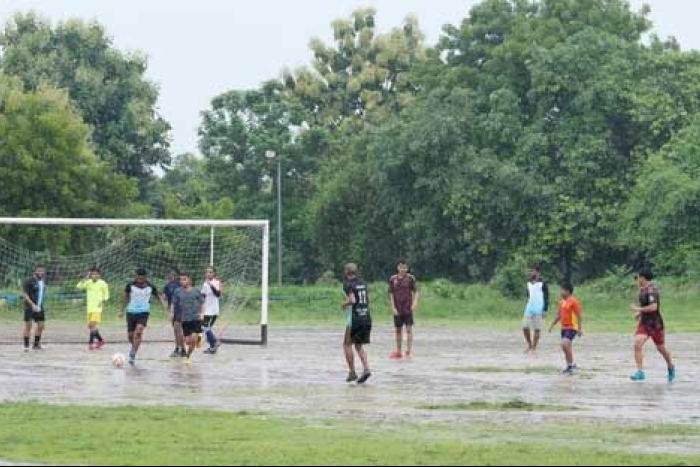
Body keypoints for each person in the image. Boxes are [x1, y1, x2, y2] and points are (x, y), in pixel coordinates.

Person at [629, 267, 676, 382]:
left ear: (643, 277)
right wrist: (639, 314)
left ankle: (670, 366)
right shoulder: (642, 290)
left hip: (656, 324)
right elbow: (647, 307)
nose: (637, 279)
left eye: (638, 277)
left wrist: (638, 308)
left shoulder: (651, 291)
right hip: (644, 323)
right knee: (637, 343)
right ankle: (640, 372)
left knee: (661, 348)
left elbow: (654, 307)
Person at [119, 268, 167, 365]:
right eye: (138, 277)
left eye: (141, 278)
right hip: (131, 312)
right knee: (130, 336)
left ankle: (132, 354)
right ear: (135, 276)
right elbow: (125, 297)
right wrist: (121, 310)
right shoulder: (130, 285)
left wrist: (164, 307)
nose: (139, 280)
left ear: (145, 277)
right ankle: (135, 346)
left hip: (144, 312)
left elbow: (158, 296)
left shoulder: (150, 286)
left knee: (139, 330)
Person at [341, 263, 372, 384]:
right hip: (366, 317)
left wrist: (343, 304)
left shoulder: (347, 284)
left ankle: (352, 372)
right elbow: (368, 300)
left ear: (346, 272)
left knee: (346, 344)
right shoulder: (363, 283)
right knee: (359, 345)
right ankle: (366, 369)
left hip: (355, 319)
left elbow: (352, 300)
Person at [548, 282, 582, 375]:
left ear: (567, 291)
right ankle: (570, 365)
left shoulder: (574, 301)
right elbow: (558, 315)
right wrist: (552, 325)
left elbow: (579, 315)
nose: (561, 292)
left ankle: (570, 366)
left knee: (564, 344)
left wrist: (579, 328)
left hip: (572, 327)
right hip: (563, 328)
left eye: (562, 290)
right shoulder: (561, 302)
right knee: (567, 347)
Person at [172, 271, 204, 364]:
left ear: (189, 280)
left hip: (195, 319)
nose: (182, 281)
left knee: (193, 339)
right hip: (185, 320)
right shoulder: (177, 291)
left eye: (184, 279)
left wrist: (202, 313)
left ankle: (187, 356)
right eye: (180, 279)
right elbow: (173, 303)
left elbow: (202, 303)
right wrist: (172, 313)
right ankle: (199, 337)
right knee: (188, 342)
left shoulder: (196, 291)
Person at [388, 260, 418, 359]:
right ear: (398, 267)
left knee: (409, 329)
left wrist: (414, 303)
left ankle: (408, 352)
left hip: (407, 308)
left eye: (405, 268)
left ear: (407, 268)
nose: (403, 270)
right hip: (397, 308)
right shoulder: (393, 279)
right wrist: (393, 307)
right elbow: (391, 293)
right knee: (398, 330)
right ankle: (398, 351)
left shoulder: (411, 278)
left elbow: (416, 291)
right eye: (401, 267)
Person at [76, 267, 110, 350]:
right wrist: (85, 278)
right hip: (89, 308)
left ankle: (91, 343)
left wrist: (102, 300)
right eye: (93, 274)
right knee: (91, 326)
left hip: (97, 308)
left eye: (96, 274)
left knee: (92, 325)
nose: (94, 275)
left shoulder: (103, 283)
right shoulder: (88, 282)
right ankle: (100, 340)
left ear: (99, 275)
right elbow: (79, 286)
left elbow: (106, 295)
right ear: (90, 275)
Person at [522, 264, 549, 353]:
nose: (530, 273)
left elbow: (546, 297)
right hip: (529, 308)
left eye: (532, 271)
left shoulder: (543, 283)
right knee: (525, 327)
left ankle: (534, 348)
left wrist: (545, 309)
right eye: (530, 271)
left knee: (537, 329)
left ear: (537, 272)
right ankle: (529, 345)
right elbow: (528, 296)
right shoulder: (528, 283)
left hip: (539, 309)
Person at [22, 265, 47, 352]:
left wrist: (39, 305)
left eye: (42, 271)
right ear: (35, 272)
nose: (41, 273)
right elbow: (25, 295)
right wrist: (32, 305)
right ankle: (26, 346)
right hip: (30, 307)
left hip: (40, 307)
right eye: (39, 271)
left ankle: (36, 345)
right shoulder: (28, 281)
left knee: (41, 326)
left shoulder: (43, 282)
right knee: (28, 326)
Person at [162, 268, 185, 357]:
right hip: (172, 310)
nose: (172, 276)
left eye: (174, 275)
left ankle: (183, 349)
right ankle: (177, 348)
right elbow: (164, 297)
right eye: (170, 275)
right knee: (176, 331)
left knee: (178, 329)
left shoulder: (180, 284)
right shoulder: (167, 285)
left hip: (181, 310)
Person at [201, 266, 223, 354]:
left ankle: (215, 341)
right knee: (207, 329)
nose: (208, 274)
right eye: (207, 272)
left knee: (205, 327)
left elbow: (218, 294)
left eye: (210, 272)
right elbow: (202, 296)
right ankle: (212, 347)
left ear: (214, 273)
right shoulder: (205, 284)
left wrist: (210, 285)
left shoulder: (217, 282)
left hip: (213, 310)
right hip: (206, 309)